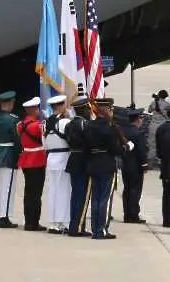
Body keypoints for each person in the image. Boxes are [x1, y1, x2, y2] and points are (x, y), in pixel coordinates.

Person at [85, 98, 127, 239]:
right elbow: (116, 149)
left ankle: (95, 229)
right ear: (107, 110)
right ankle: (101, 230)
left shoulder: (89, 126)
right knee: (105, 199)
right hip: (107, 165)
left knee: (95, 199)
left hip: (92, 164)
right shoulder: (110, 128)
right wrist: (125, 148)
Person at [0, 91, 21, 229]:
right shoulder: (13, 119)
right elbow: (17, 139)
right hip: (9, 155)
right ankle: (4, 217)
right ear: (9, 103)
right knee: (8, 189)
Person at [43, 94, 71, 234]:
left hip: (51, 158)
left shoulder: (45, 123)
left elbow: (44, 144)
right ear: (60, 106)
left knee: (53, 191)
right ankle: (60, 222)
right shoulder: (64, 123)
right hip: (63, 157)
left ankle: (53, 222)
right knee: (63, 191)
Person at [17, 96, 47, 231]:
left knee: (28, 193)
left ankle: (28, 221)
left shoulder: (20, 125)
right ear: (35, 110)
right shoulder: (38, 126)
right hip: (37, 160)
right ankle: (34, 222)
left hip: (26, 159)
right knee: (36, 193)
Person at [65, 96, 92, 237]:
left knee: (75, 195)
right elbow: (89, 142)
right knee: (83, 196)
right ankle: (78, 227)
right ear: (85, 110)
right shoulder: (85, 125)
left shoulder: (69, 124)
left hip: (73, 159)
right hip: (83, 161)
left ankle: (73, 225)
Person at [121, 108, 149, 224]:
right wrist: (144, 164)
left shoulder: (123, 131)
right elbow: (141, 151)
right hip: (136, 167)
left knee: (127, 189)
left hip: (125, 165)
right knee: (135, 191)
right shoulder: (138, 133)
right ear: (138, 120)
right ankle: (133, 215)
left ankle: (127, 214)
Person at [156, 103, 170, 227]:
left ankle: (167, 219)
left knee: (167, 193)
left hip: (164, 165)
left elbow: (158, 149)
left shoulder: (161, 128)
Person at [145, 89, 170, 168]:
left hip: (153, 126)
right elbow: (168, 116)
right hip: (163, 126)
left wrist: (155, 102)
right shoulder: (167, 104)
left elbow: (149, 110)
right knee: (162, 144)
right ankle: (161, 163)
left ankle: (150, 163)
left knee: (152, 144)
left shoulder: (154, 103)